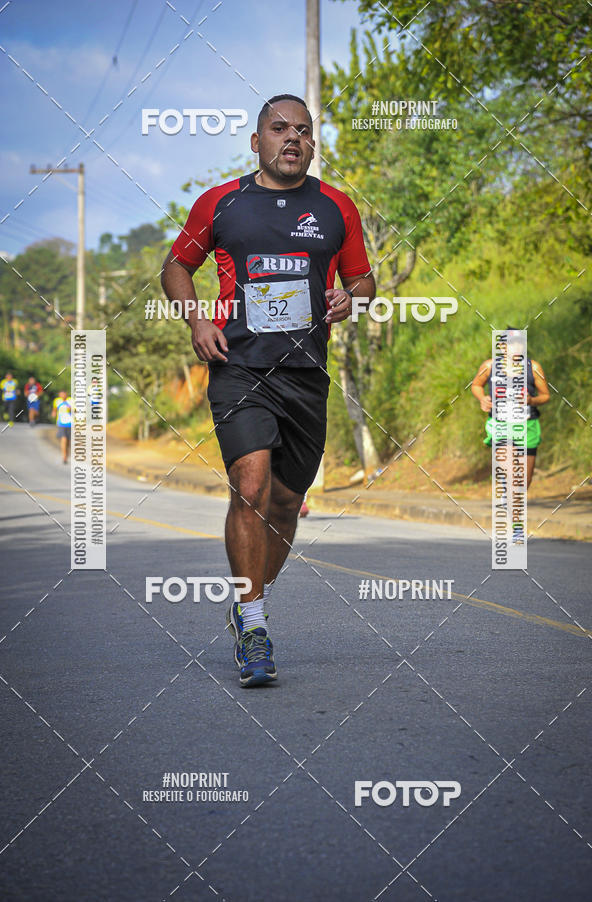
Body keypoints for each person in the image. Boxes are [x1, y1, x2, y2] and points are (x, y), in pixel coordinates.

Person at [162, 94, 376, 687]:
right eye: (279, 129)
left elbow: (363, 280)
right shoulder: (222, 202)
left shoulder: (336, 208)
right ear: (255, 141)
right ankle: (254, 623)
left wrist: (349, 298)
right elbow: (176, 265)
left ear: (312, 143)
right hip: (239, 365)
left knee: (284, 504)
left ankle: (247, 598)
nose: (292, 138)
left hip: (305, 373)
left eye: (303, 131)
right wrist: (197, 319)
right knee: (249, 486)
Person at [471, 330, 550, 487]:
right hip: (501, 425)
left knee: (522, 486)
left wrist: (531, 400)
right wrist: (482, 398)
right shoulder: (489, 366)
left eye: (520, 343)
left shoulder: (533, 367)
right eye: (512, 344)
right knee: (509, 475)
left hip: (528, 426)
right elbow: (476, 385)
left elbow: (545, 396)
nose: (517, 348)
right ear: (502, 346)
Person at [52, 391, 73, 464]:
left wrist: (71, 409)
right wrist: (54, 413)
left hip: (70, 423)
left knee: (68, 441)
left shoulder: (71, 400)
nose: (62, 395)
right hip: (61, 423)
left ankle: (66, 453)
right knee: (63, 439)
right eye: (61, 394)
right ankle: (64, 456)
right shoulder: (57, 401)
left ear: (66, 394)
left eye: (64, 394)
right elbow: (54, 409)